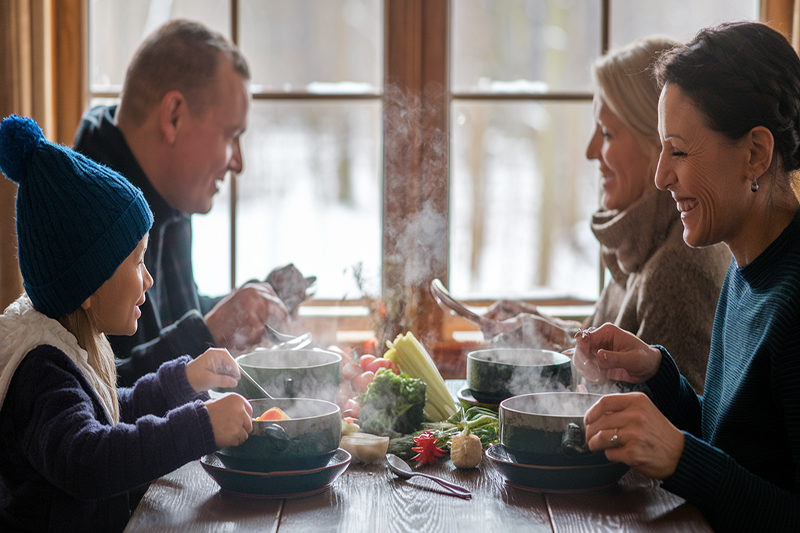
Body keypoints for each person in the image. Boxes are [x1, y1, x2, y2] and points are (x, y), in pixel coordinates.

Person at [573, 21, 800, 531]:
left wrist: (679, 457)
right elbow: (735, 444)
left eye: (678, 150)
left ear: (755, 154)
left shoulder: (793, 300)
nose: (660, 176)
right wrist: (657, 372)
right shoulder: (744, 272)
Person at [0, 115, 253, 531]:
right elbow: (90, 458)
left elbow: (112, 413)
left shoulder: (69, 341)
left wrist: (183, 380)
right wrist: (200, 427)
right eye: (137, 261)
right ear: (88, 283)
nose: (148, 278)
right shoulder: (40, 370)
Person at [484, 36, 730, 392]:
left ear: (657, 141)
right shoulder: (639, 244)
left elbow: (669, 428)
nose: (590, 151)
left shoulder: (676, 273)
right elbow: (613, 358)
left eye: (607, 133)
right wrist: (548, 331)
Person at [73, 19, 304, 386]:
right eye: (231, 136)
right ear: (174, 116)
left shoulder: (167, 193)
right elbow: (99, 392)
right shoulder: (83, 214)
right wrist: (204, 334)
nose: (238, 163)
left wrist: (254, 301)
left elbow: (173, 317)